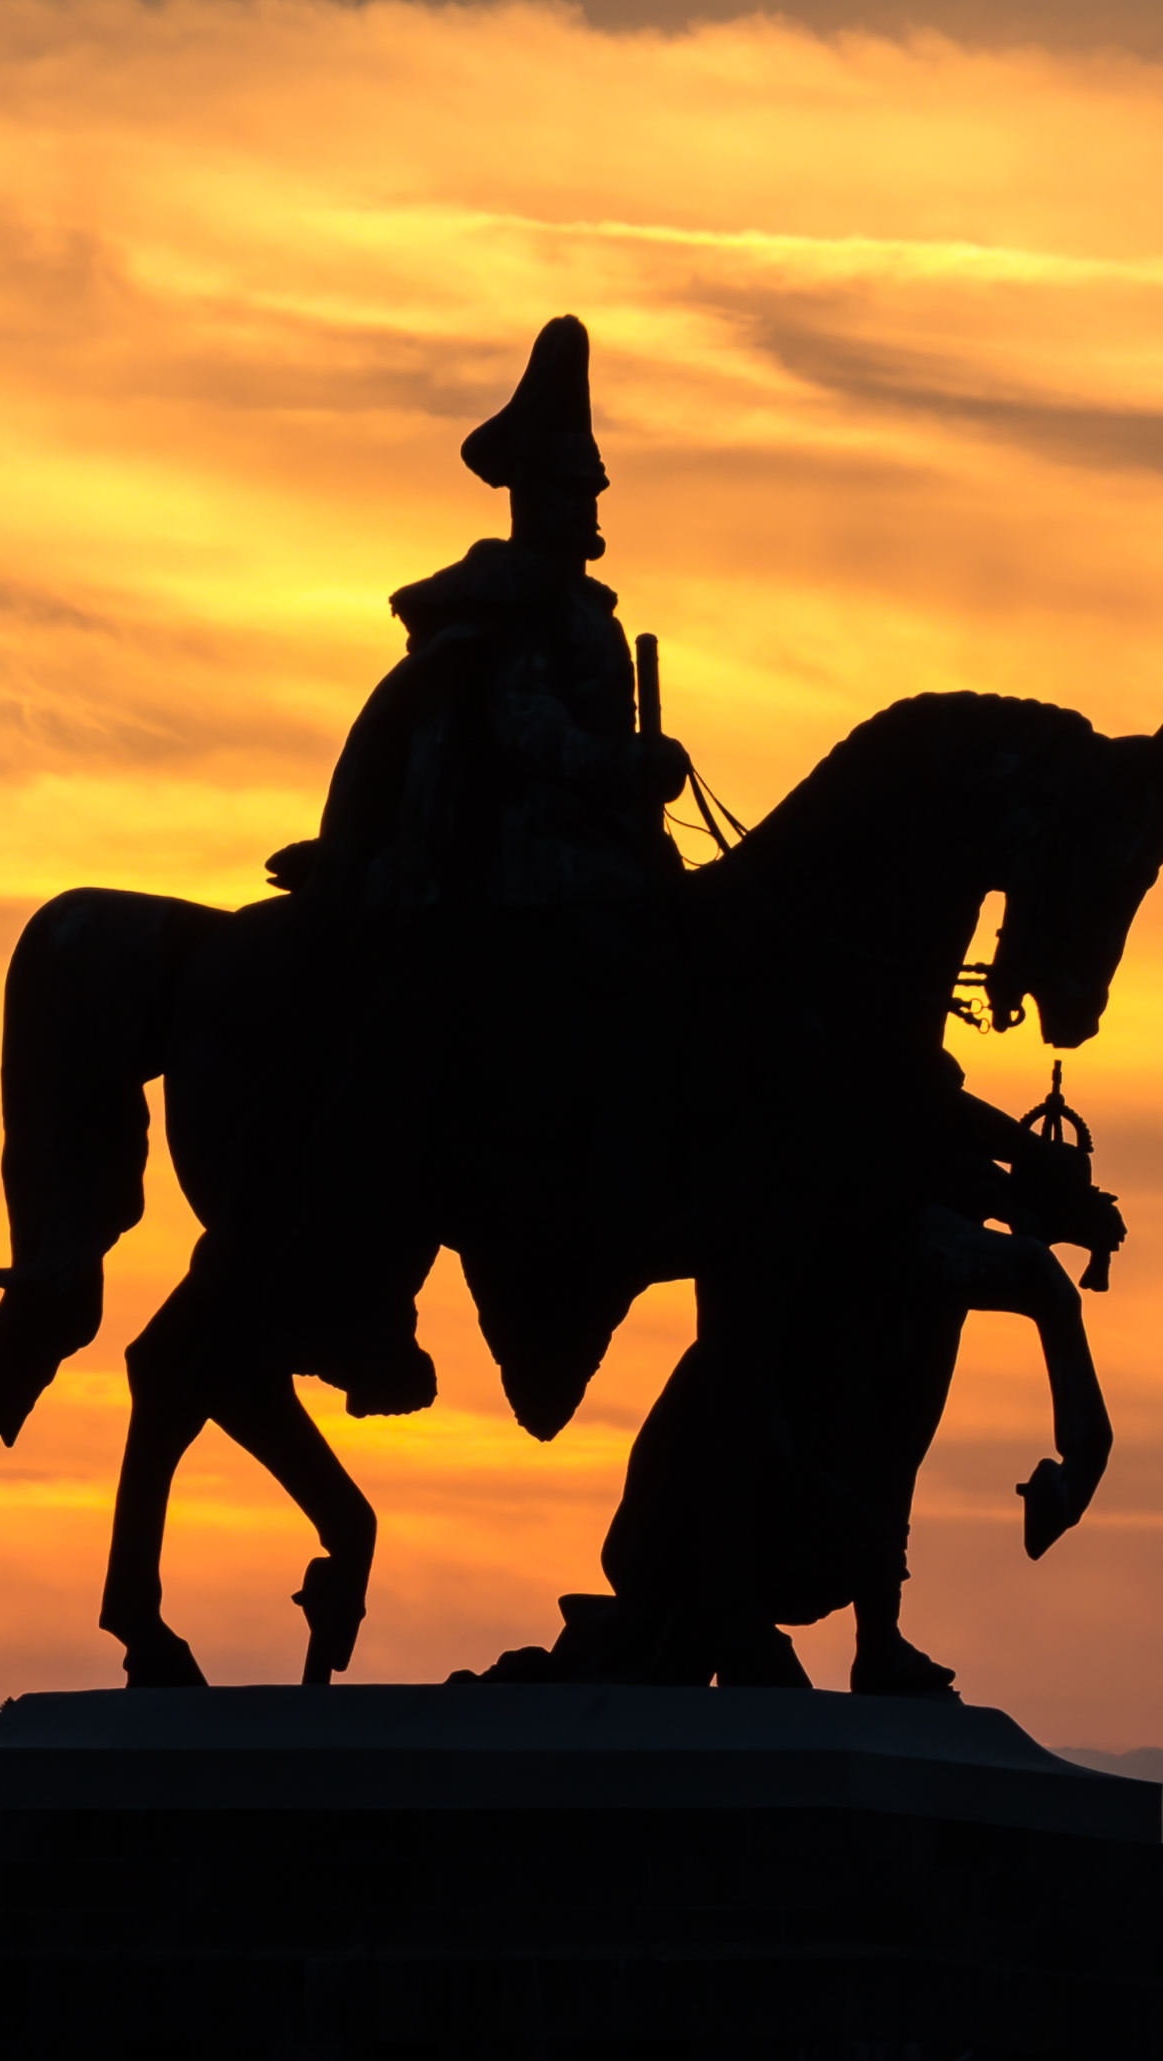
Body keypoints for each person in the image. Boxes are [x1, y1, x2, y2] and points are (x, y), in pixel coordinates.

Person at [287, 312, 694, 1420]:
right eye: (573, 491)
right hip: (529, 872)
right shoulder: (510, 609)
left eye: (594, 492)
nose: (588, 511)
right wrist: (625, 767)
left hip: (597, 859)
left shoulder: (574, 607)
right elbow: (524, 734)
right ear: (532, 496)